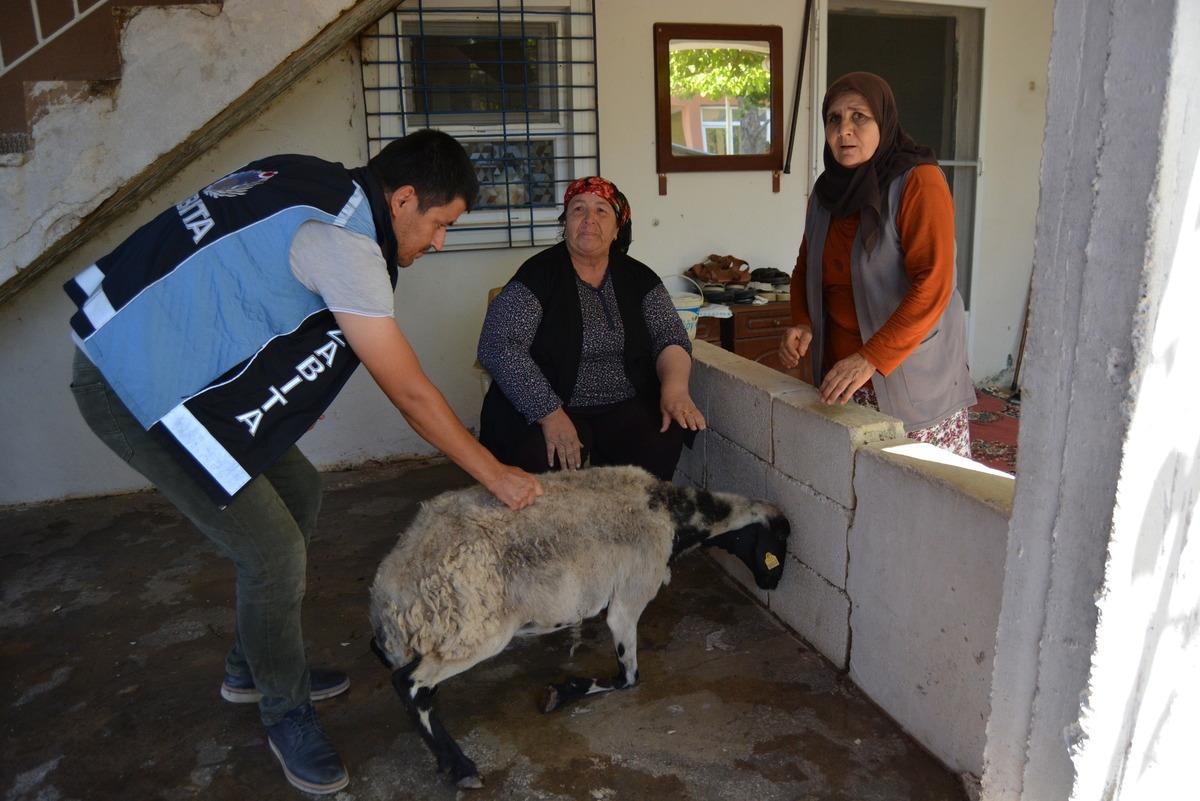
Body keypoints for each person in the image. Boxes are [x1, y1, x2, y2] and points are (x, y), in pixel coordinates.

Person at [65, 129, 543, 795]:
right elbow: (410, 393)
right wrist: (497, 475)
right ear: (403, 199)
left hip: (173, 364)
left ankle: (254, 664)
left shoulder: (318, 180)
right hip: (134, 383)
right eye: (440, 224)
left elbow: (243, 280)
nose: (438, 243)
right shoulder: (345, 243)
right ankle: (283, 709)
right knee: (272, 553)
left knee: (302, 493)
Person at [779, 72, 976, 456]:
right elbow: (806, 267)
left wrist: (870, 357)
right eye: (834, 119)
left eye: (859, 117)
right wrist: (801, 320)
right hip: (844, 381)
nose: (844, 130)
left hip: (910, 383)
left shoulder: (919, 182)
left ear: (883, 123)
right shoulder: (826, 192)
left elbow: (934, 284)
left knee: (922, 496)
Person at [477, 176, 705, 481]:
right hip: (553, 400)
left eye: (601, 211)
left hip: (622, 400)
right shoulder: (538, 275)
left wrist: (675, 389)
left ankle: (631, 520)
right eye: (578, 210)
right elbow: (498, 344)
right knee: (541, 455)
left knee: (662, 430)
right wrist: (549, 412)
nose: (588, 220)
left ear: (616, 229)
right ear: (566, 224)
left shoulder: (640, 278)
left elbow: (670, 337)